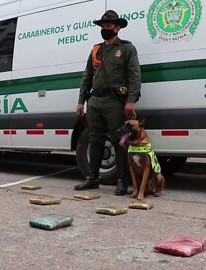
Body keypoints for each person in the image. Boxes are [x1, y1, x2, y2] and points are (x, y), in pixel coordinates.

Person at [74, 10, 141, 195]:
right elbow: (87, 76)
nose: (105, 29)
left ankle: (122, 180)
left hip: (115, 102)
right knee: (95, 139)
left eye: (109, 26)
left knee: (119, 141)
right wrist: (81, 101)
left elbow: (134, 76)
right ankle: (92, 178)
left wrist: (130, 101)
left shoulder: (127, 48)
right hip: (95, 101)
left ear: (117, 28)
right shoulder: (96, 50)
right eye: (103, 26)